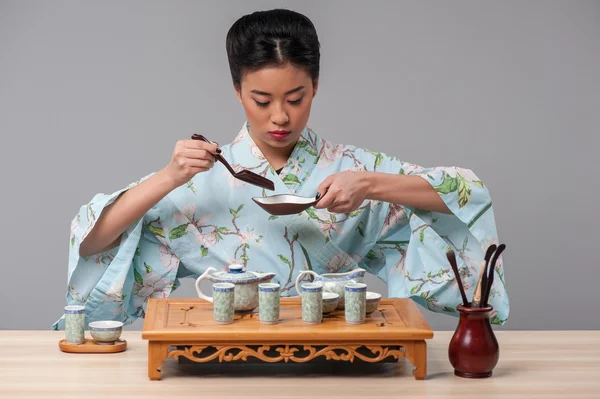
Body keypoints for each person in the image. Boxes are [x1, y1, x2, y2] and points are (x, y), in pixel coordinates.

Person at [53, 9, 508, 329]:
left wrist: (370, 185)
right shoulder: (201, 177)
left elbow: (468, 193)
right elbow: (95, 240)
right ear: (237, 91)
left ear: (316, 86)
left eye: (296, 98)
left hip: (336, 349)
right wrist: (168, 177)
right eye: (262, 100)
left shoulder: (350, 168)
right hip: (225, 350)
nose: (280, 118)